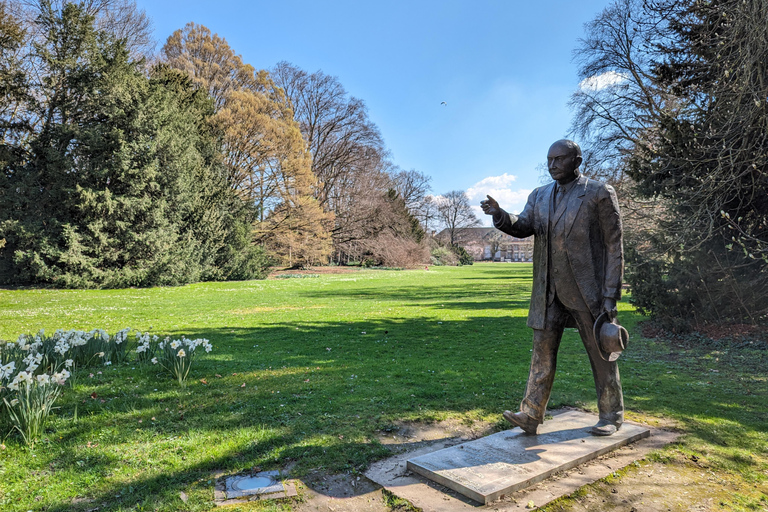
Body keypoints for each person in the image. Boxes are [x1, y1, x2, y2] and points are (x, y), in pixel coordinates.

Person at [480, 139, 624, 436]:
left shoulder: (598, 193)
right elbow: (523, 225)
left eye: (559, 159)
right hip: (548, 289)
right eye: (549, 160)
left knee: (600, 352)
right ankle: (531, 414)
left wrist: (610, 295)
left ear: (577, 161)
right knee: (541, 352)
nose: (553, 165)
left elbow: (614, 246)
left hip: (587, 289)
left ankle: (611, 414)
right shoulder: (540, 195)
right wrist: (500, 214)